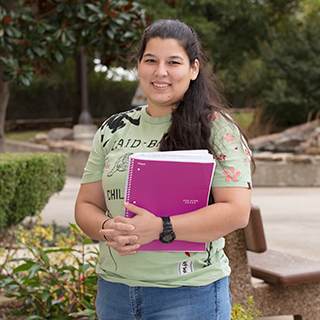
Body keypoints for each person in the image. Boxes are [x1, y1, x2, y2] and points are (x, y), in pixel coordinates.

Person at [75, 19, 253, 320]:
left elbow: (237, 211)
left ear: (193, 69)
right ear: (139, 67)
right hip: (114, 294)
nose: (160, 72)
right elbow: (86, 205)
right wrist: (107, 230)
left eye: (173, 62)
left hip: (189, 294)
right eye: (150, 61)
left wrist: (161, 228)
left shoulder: (217, 128)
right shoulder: (113, 129)